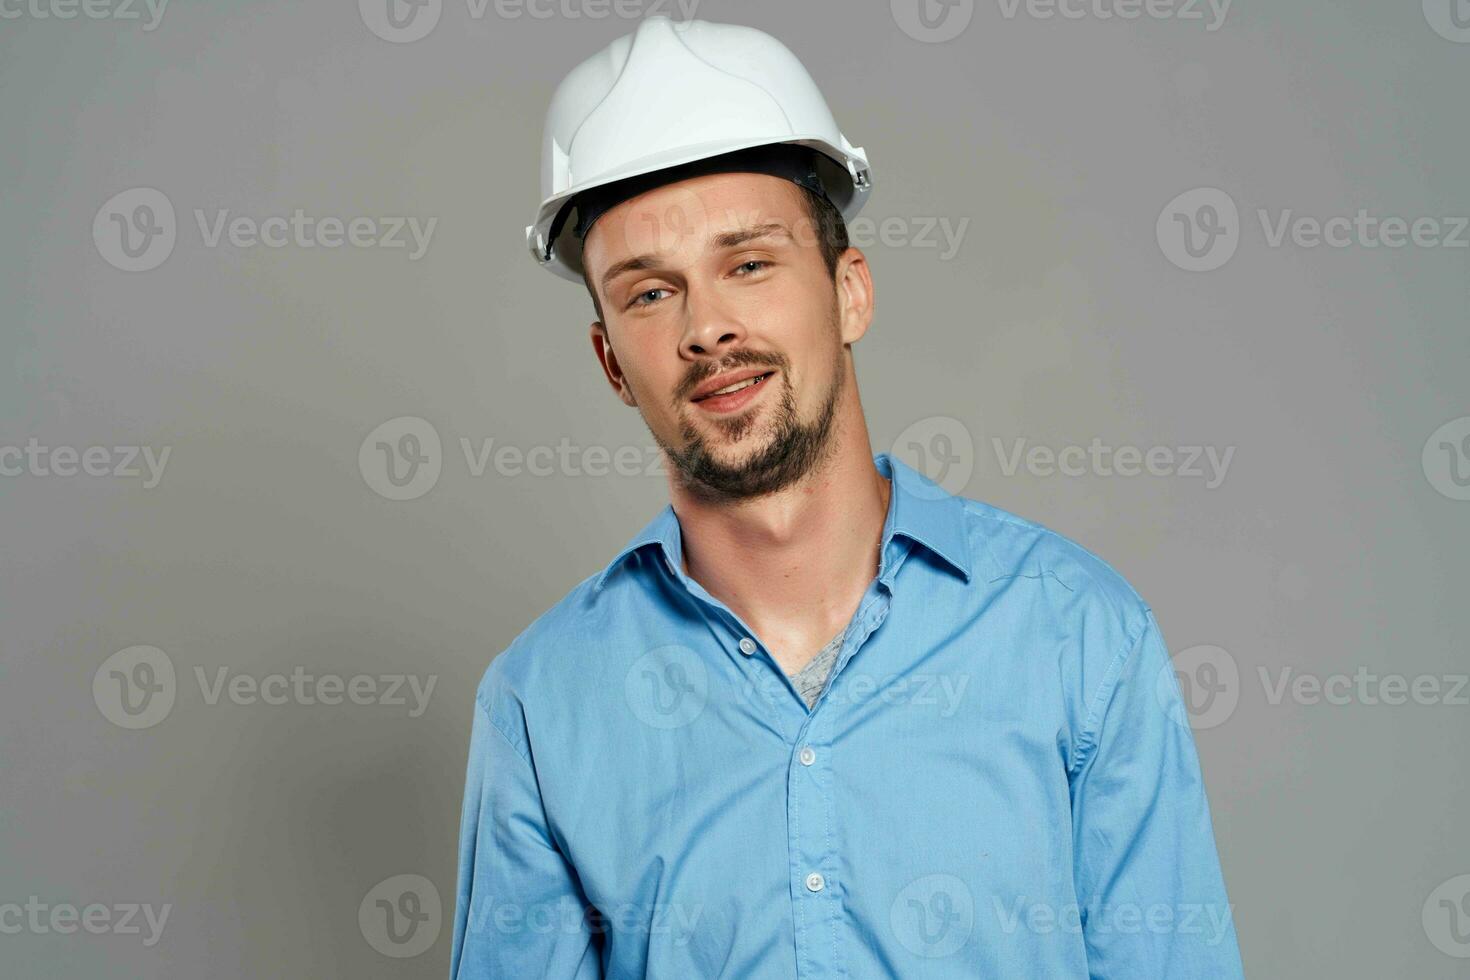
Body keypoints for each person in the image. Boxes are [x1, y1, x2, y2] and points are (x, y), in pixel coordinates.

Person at [450, 15, 1245, 978]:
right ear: (611, 360)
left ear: (850, 291)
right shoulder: (543, 705)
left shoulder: (1077, 637)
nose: (708, 328)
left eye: (748, 264)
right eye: (652, 293)